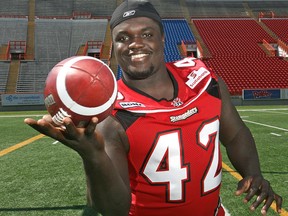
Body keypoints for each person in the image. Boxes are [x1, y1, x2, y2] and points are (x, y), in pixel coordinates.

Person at [25, 1, 282, 215]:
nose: (135, 43)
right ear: (114, 47)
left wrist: (253, 173)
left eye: (146, 34)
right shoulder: (111, 114)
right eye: (123, 37)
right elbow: (114, 210)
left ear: (162, 37)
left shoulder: (203, 78)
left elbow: (235, 134)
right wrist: (92, 155)